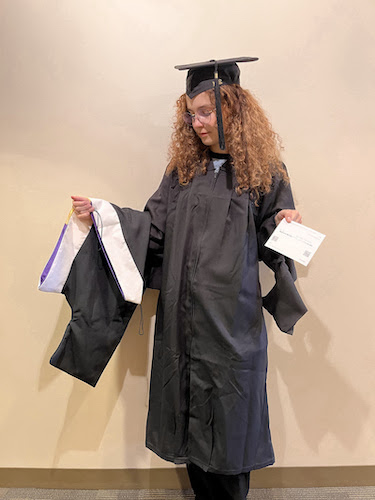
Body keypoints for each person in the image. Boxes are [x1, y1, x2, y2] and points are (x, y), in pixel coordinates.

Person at [71, 58, 306, 500]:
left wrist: (286, 223)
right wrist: (105, 215)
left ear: (233, 109)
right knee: (190, 426)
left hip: (231, 323)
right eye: (190, 113)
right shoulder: (182, 173)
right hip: (182, 321)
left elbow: (275, 243)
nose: (195, 122)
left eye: (205, 111)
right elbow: (152, 230)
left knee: (231, 430)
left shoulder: (266, 173)